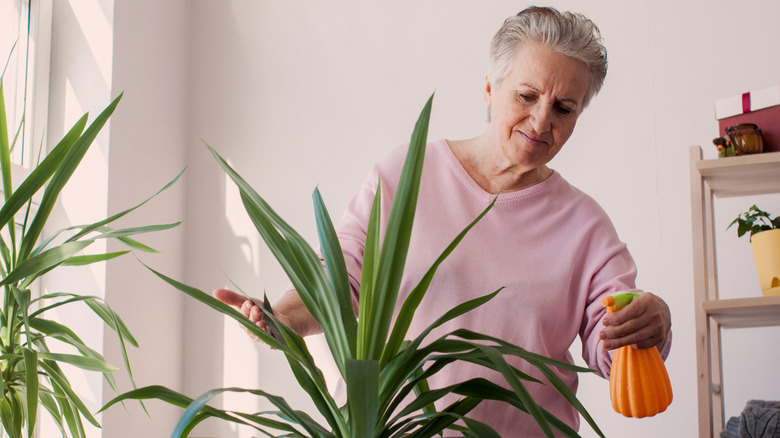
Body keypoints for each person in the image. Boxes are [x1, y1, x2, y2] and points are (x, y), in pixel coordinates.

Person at [215, 6, 672, 436]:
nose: (540, 120)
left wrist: (651, 322)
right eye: (527, 96)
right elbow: (339, 281)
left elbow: (614, 342)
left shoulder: (586, 226)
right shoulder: (404, 177)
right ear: (491, 88)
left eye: (563, 108)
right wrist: (282, 321)